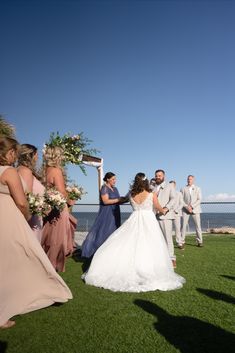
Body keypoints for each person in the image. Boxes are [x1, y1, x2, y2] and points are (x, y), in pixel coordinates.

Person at [0, 136, 72, 329]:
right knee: (24, 258)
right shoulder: (9, 171)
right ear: (9, 153)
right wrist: (24, 218)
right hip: (13, 220)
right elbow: (23, 202)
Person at [83, 173, 185, 292]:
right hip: (149, 221)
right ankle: (145, 268)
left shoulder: (131, 194)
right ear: (146, 182)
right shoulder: (151, 194)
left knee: (131, 243)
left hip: (134, 219)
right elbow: (160, 209)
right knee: (149, 244)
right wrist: (166, 210)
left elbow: (124, 199)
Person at [41, 146, 76, 272]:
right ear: (57, 156)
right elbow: (61, 192)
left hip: (49, 209)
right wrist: (71, 199)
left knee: (48, 239)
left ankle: (45, 265)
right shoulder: (56, 170)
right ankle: (52, 268)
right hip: (59, 210)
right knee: (58, 241)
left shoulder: (45, 170)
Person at [82, 172, 126, 258]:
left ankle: (111, 252)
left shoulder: (115, 189)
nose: (115, 181)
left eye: (115, 179)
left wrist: (126, 199)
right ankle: (97, 252)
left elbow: (118, 200)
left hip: (115, 212)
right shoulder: (104, 188)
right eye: (113, 179)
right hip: (107, 213)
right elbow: (105, 201)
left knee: (114, 231)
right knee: (104, 231)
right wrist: (118, 199)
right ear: (107, 179)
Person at [17, 144, 45, 243]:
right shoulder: (25, 171)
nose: (38, 157)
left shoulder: (21, 170)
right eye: (36, 154)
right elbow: (27, 197)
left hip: (34, 216)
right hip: (31, 218)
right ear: (30, 155)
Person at [151, 170, 177, 268]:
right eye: (156, 176)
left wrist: (166, 208)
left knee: (168, 238)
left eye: (160, 176)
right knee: (157, 238)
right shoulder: (152, 188)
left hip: (165, 216)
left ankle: (172, 259)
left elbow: (173, 198)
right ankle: (161, 258)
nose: (158, 177)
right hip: (153, 216)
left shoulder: (169, 186)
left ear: (164, 176)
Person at [181, 175, 203, 247]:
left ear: (193, 180)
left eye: (190, 179)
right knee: (183, 226)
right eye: (188, 179)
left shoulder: (198, 188)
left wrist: (192, 206)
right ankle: (182, 241)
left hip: (195, 210)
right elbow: (181, 200)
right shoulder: (183, 188)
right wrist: (187, 207)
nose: (189, 180)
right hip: (185, 210)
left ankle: (199, 241)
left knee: (198, 226)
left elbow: (199, 199)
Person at [169, 180, 184, 249]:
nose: (171, 186)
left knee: (177, 229)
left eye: (172, 185)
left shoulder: (179, 193)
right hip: (168, 214)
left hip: (176, 213)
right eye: (170, 185)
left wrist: (176, 210)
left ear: (175, 185)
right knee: (168, 229)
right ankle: (168, 243)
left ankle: (179, 243)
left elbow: (181, 203)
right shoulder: (167, 193)